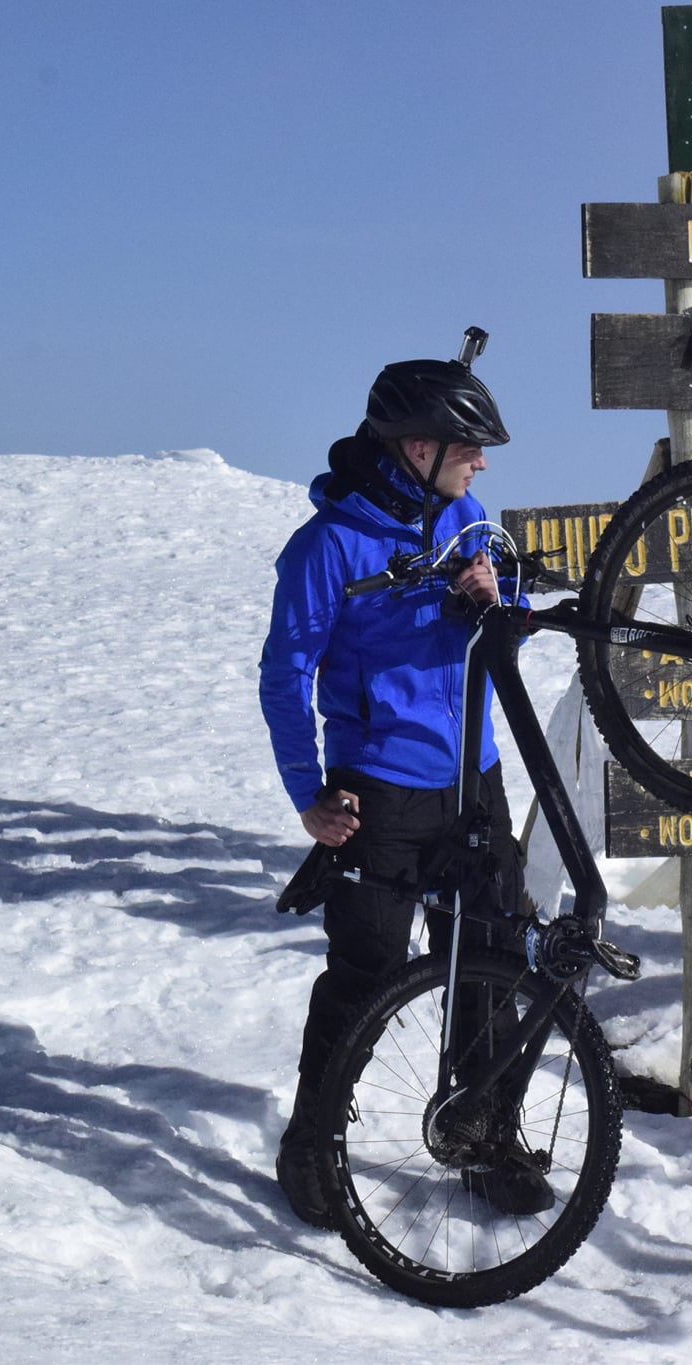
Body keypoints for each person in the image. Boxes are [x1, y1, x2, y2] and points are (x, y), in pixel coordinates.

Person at [259, 350, 545, 1228]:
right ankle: (314, 1145)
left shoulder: (463, 515)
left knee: (492, 968)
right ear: (417, 446)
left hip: (474, 780)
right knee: (366, 974)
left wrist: (497, 596)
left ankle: (484, 1132)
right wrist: (309, 794)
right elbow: (283, 673)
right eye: (470, 446)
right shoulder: (327, 545)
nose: (483, 463)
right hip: (374, 796)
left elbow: (509, 623)